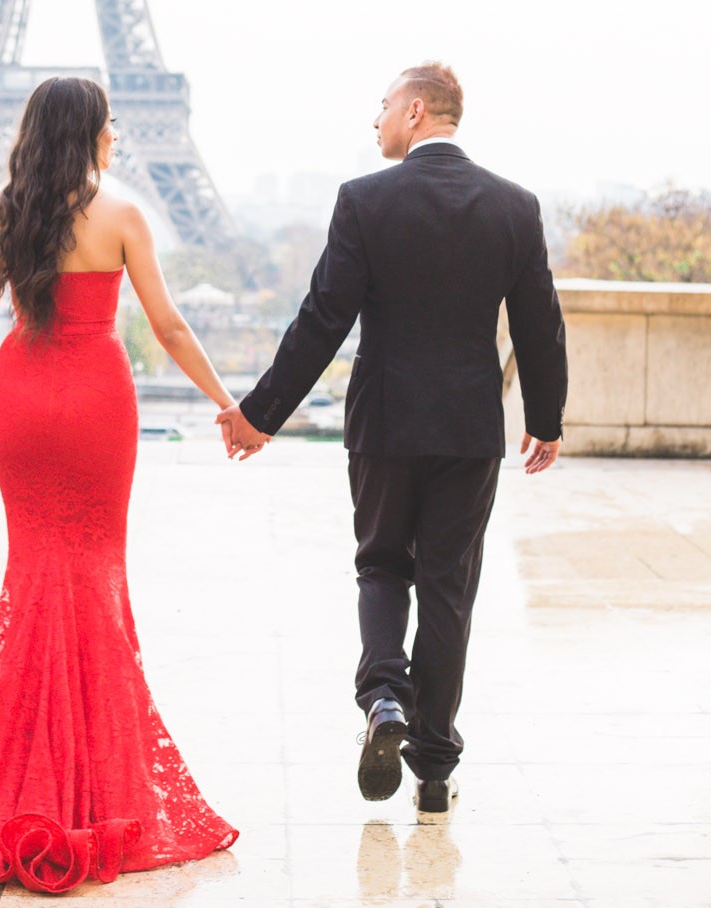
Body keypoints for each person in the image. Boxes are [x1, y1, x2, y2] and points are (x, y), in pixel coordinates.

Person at [0, 76, 238, 892]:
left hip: (19, 397)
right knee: (96, 577)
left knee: (33, 573)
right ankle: (91, 783)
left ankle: (27, 767)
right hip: (95, 403)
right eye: (109, 125)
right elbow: (168, 324)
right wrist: (225, 401)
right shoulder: (120, 215)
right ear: (89, 133)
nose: (117, 135)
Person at [217, 62, 567, 813]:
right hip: (469, 428)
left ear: (414, 111)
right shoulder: (515, 206)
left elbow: (323, 320)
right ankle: (434, 769)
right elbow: (540, 323)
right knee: (448, 589)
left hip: (383, 422)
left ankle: (383, 700)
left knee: (381, 567)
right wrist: (546, 419)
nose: (373, 122)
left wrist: (260, 414)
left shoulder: (364, 201)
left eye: (380, 108)